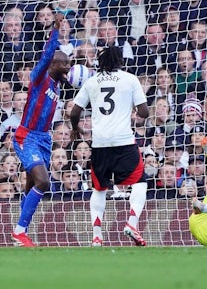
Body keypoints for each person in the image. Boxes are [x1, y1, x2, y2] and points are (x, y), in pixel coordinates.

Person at [70, 45, 150, 247]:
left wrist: (75, 128)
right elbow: (145, 112)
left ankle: (97, 236)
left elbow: (74, 112)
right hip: (123, 141)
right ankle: (132, 223)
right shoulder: (130, 79)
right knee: (139, 181)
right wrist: (132, 109)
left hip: (100, 143)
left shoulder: (92, 81)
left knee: (99, 188)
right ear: (120, 61)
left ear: (101, 61)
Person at [11, 14, 69, 247]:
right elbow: (46, 55)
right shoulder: (40, 78)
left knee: (30, 185)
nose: (68, 67)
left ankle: (19, 233)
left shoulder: (56, 85)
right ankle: (19, 232)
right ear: (53, 65)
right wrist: (55, 30)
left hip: (44, 139)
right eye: (64, 63)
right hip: (27, 136)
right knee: (43, 182)